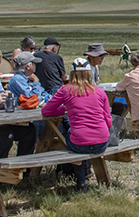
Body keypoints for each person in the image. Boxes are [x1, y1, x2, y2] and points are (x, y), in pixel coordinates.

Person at [42, 58, 112, 191]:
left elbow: (46, 110)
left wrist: (63, 109)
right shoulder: (99, 91)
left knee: (71, 134)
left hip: (80, 142)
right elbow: (108, 119)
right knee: (81, 137)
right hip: (101, 141)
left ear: (72, 74)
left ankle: (80, 182)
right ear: (89, 74)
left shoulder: (66, 90)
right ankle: (89, 174)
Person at [6, 51, 48, 145]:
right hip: (22, 118)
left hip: (31, 113)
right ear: (27, 66)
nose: (35, 65)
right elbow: (32, 98)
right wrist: (36, 82)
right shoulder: (17, 80)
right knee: (42, 124)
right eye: (33, 63)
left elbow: (42, 92)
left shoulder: (27, 78)